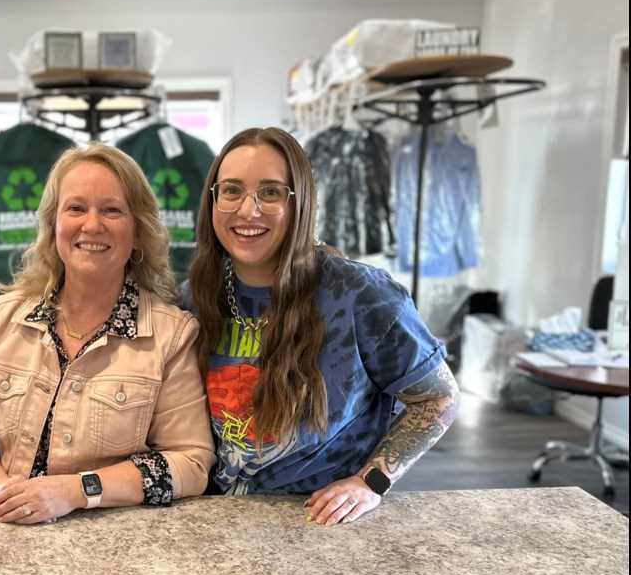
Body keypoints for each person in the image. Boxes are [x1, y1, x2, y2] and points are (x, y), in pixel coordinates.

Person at [185, 127, 460, 526]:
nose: (248, 210)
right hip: (214, 516)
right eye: (231, 190)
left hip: (317, 519)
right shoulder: (192, 297)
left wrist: (371, 483)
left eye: (271, 192)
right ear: (212, 200)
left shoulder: (361, 294)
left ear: (301, 204)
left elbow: (440, 399)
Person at [0, 143, 215, 525]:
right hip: (1, 529)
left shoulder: (171, 335)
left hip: (108, 545)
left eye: (112, 210)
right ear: (54, 226)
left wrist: (76, 490)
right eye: (76, 208)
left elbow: (191, 462)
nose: (92, 224)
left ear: (137, 233)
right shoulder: (3, 316)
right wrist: (0, 492)